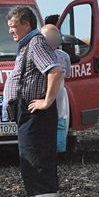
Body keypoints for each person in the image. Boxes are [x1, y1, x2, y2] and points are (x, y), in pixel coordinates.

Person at [3, 6, 63, 197]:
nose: (10, 31)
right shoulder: (29, 45)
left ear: (26, 24)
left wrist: (46, 102)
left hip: (36, 116)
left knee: (36, 165)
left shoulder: (36, 43)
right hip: (29, 116)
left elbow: (55, 71)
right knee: (36, 164)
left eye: (13, 26)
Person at [42, 24, 71, 159]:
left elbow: (68, 75)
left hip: (57, 97)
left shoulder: (63, 57)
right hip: (46, 97)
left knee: (59, 122)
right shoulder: (39, 56)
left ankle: (58, 153)